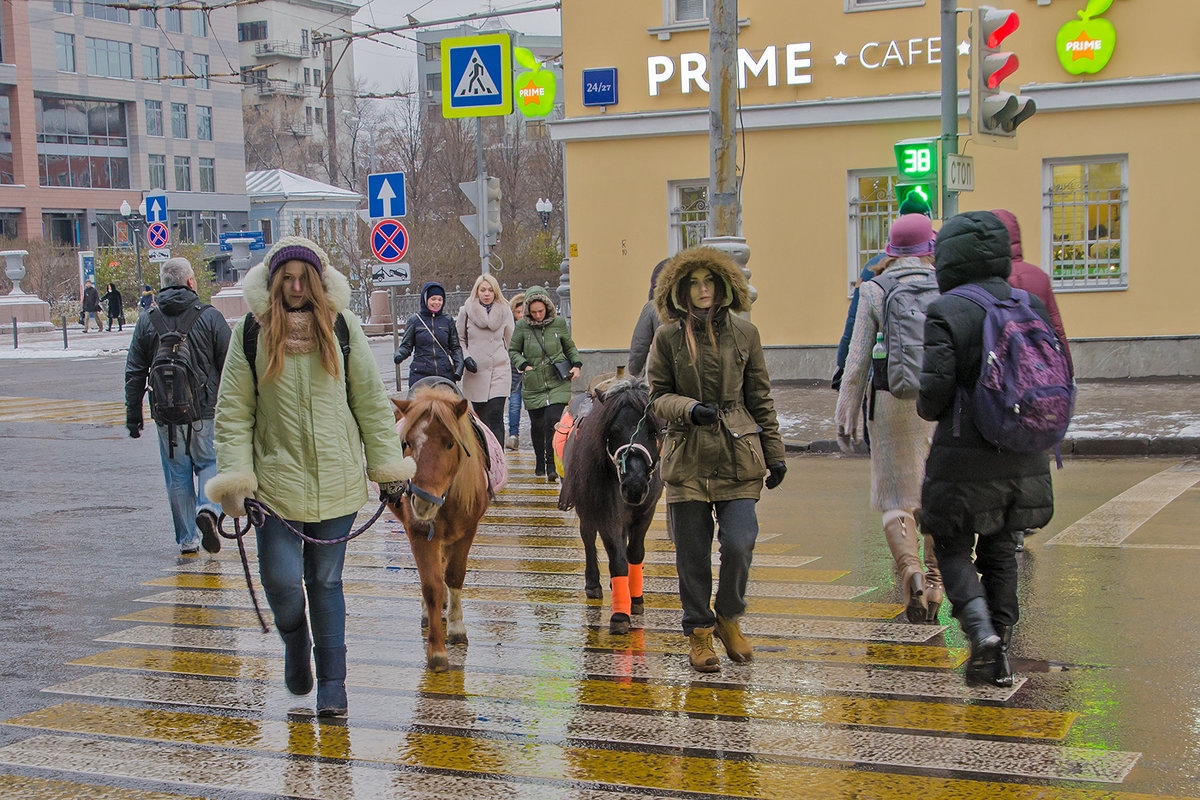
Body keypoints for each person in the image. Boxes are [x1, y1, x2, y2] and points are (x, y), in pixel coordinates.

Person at [206, 236, 415, 716]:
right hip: (274, 487)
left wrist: (387, 469)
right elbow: (234, 412)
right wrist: (237, 477)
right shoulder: (251, 332)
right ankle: (294, 641)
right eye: (288, 279)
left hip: (336, 480)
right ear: (275, 280)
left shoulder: (342, 328)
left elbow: (369, 401)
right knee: (281, 583)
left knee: (325, 581)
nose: (296, 287)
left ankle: (333, 685)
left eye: (305, 279)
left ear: (318, 282)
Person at [918, 211, 1056, 688]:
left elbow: (932, 399)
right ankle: (1002, 648)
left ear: (950, 258)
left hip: (964, 453)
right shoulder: (1028, 303)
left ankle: (982, 636)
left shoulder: (947, 310)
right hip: (1023, 449)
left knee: (951, 544)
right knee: (1001, 549)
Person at [646, 246, 786, 673]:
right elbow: (656, 397)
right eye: (694, 283)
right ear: (680, 290)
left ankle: (728, 616)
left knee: (740, 543)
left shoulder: (746, 334)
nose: (703, 290)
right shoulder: (667, 336)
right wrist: (688, 409)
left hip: (737, 453)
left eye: (710, 282)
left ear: (724, 286)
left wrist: (775, 453)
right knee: (692, 552)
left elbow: (760, 396)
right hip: (687, 455)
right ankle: (700, 634)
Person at [834, 214, 941, 624]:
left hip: (889, 399)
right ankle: (934, 584)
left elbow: (858, 359)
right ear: (929, 247)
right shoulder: (945, 284)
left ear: (890, 250)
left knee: (894, 495)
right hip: (936, 401)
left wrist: (846, 414)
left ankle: (909, 569)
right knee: (933, 494)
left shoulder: (875, 289)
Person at [124, 258, 231, 555]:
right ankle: (208, 510)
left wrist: (134, 415)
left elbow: (135, 371)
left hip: (166, 415)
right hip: (205, 412)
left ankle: (187, 540)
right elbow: (232, 367)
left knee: (177, 474)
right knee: (210, 463)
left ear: (163, 284)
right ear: (190, 283)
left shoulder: (148, 320)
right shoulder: (210, 317)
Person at [993, 208, 1073, 552]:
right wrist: (1066, 371)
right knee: (1034, 449)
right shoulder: (1038, 276)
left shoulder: (993, 279)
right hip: (1041, 378)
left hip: (1010, 378)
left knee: (1007, 449)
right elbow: (1056, 327)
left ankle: (1011, 524)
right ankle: (1027, 520)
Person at [509, 286, 580, 482]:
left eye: (541, 311)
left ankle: (551, 464)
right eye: (534, 312)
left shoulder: (558, 323)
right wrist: (523, 365)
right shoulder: (523, 326)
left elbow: (569, 345)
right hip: (533, 383)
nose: (538, 316)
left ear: (547, 308)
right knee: (537, 425)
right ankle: (539, 460)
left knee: (551, 422)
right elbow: (513, 350)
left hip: (557, 381)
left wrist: (577, 364)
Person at [456, 273, 515, 444]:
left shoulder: (505, 311)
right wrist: (466, 357)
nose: (487, 293)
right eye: (483, 290)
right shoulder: (465, 311)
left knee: (496, 414)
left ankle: (498, 461)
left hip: (499, 369)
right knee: (481, 419)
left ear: (496, 292)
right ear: (477, 291)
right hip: (476, 372)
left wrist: (518, 364)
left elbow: (512, 341)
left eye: (490, 290)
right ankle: (483, 457)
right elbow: (459, 339)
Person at [394, 281, 463, 388]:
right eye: (433, 299)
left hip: (444, 372)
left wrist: (459, 366)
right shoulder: (415, 320)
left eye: (440, 299)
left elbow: (455, 347)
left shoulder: (447, 320)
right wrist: (400, 354)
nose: (437, 302)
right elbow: (406, 345)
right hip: (421, 373)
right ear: (426, 299)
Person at [627, 258, 669, 378]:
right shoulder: (695, 306)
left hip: (662, 372)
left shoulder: (652, 307)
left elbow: (639, 345)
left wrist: (634, 373)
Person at [505, 292, 525, 450]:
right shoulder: (510, 328)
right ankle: (513, 435)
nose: (521, 315)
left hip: (532, 371)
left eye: (524, 312)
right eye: (518, 312)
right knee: (514, 403)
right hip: (515, 371)